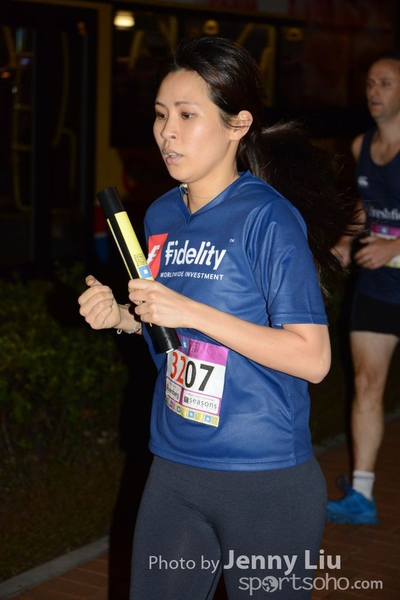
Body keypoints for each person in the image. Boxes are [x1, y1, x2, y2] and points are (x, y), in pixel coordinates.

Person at [78, 37, 356, 599]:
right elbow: (172, 333)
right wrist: (125, 319)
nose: (167, 132)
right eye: (161, 115)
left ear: (238, 124)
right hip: (174, 469)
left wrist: (190, 310)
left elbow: (313, 358)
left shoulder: (268, 218)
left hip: (264, 479)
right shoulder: (159, 215)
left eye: (187, 115)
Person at [326, 51, 400, 525]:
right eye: (371, 83)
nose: (374, 91)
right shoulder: (362, 145)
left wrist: (394, 246)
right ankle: (362, 495)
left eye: (386, 83)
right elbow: (366, 205)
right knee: (366, 383)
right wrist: (343, 241)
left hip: (389, 262)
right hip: (378, 286)